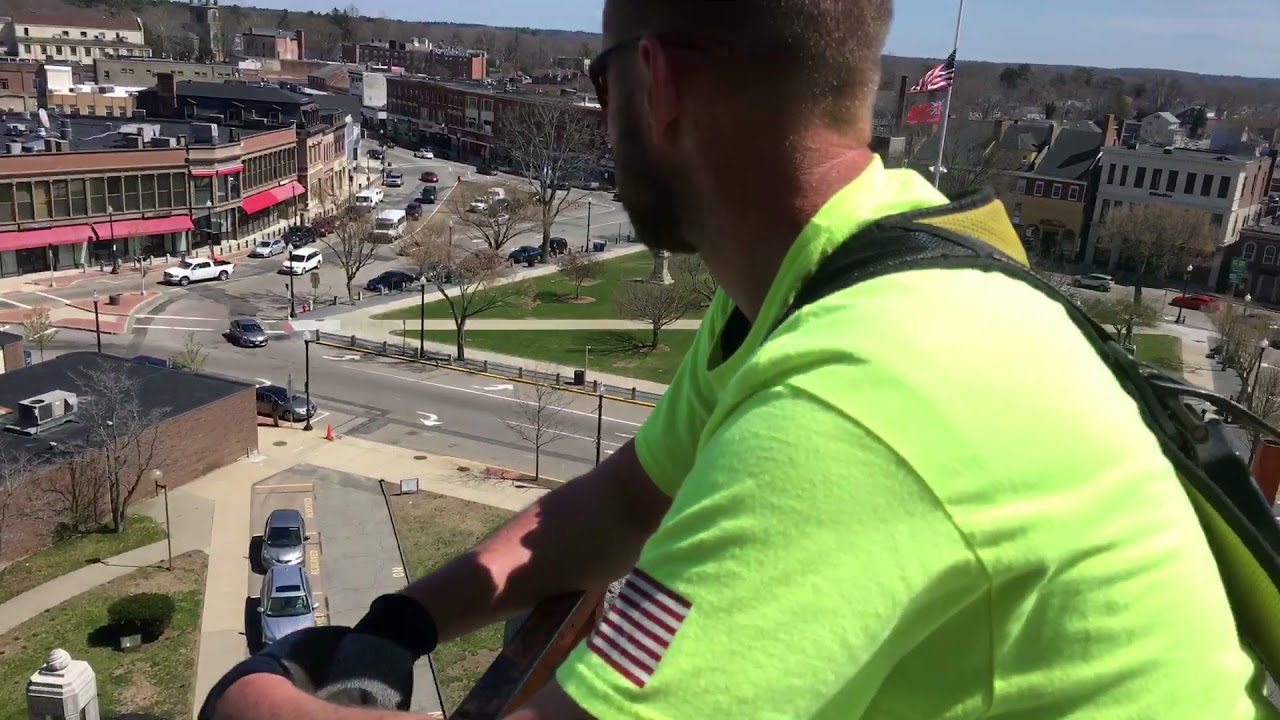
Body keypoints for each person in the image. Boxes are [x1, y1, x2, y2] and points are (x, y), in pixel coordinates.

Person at [202, 1, 1274, 718]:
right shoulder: (848, 263)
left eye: (596, 77)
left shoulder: (864, 396)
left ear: (654, 83)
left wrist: (249, 692)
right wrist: (402, 621)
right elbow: (624, 502)